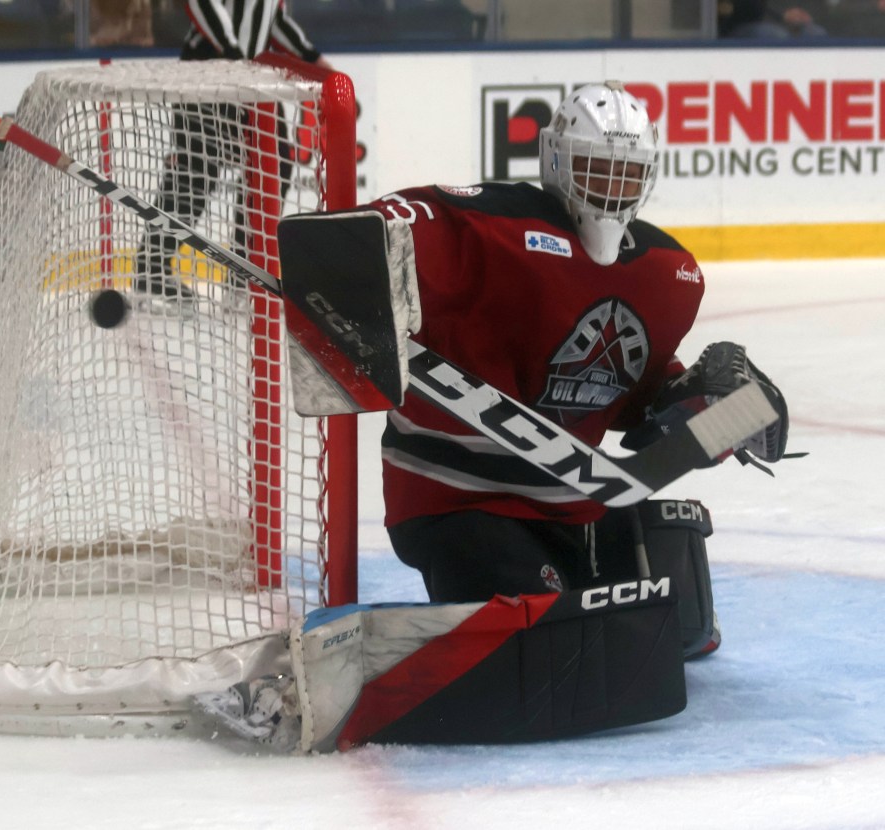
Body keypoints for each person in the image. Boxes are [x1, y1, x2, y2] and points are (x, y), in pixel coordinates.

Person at [288, 81, 791, 659]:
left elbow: (638, 407)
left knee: (679, 630)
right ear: (555, 160)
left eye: (626, 173)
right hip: (462, 506)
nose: (610, 188)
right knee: (551, 645)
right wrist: (344, 257)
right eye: (594, 168)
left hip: (576, 504)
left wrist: (722, 411)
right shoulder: (488, 228)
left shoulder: (667, 273)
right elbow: (383, 226)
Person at [134, 0, 331, 298]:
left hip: (249, 78)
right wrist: (232, 53)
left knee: (273, 165)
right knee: (196, 170)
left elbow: (271, 19)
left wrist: (314, 59)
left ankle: (244, 275)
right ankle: (151, 272)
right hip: (209, 72)